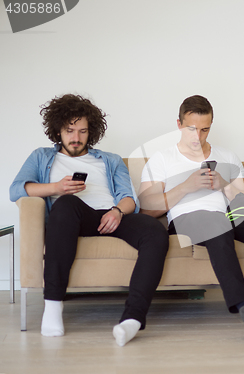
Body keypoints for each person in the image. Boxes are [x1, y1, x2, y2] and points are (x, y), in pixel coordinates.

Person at [9, 94, 169, 346]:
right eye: (69, 130)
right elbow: (17, 189)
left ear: (91, 131)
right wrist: (56, 188)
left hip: (109, 215)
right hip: (72, 215)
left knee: (154, 230)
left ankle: (133, 319)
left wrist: (117, 211)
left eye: (82, 131)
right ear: (57, 130)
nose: (76, 137)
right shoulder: (41, 156)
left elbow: (129, 198)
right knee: (66, 203)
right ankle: (52, 306)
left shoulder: (111, 159)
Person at [138, 95, 244, 341]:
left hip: (228, 214)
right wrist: (186, 187)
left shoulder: (227, 156)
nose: (198, 136)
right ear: (179, 124)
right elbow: (147, 208)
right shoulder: (162, 159)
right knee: (216, 225)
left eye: (205, 129)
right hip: (187, 219)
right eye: (191, 129)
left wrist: (223, 184)